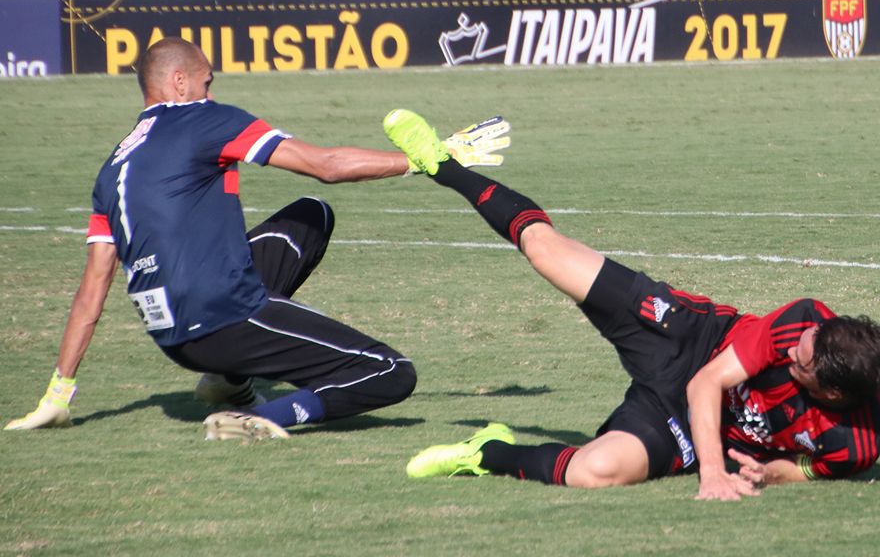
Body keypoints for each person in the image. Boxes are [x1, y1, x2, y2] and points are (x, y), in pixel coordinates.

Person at [3, 39, 505, 442]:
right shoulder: (206, 118)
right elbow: (325, 166)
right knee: (392, 372)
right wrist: (434, 159)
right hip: (223, 318)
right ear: (179, 83)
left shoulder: (111, 166)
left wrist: (57, 395)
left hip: (175, 339)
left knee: (310, 216)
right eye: (206, 81)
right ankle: (268, 416)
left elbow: (92, 288)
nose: (212, 91)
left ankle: (226, 381)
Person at [383, 109, 880, 498]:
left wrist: (769, 472)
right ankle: (443, 163)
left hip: (689, 422)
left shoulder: (857, 443)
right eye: (801, 347)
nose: (792, 353)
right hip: (692, 340)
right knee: (546, 251)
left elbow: (806, 469)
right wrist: (713, 474)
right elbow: (707, 381)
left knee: (595, 472)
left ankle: (485, 451)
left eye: (801, 364)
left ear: (831, 393)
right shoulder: (803, 323)